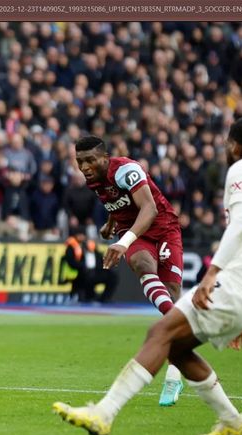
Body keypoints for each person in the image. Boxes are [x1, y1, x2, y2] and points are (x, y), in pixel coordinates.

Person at [53, 117, 242, 435]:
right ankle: (232, 421)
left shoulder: (241, 170)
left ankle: (103, 413)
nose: (224, 149)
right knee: (175, 347)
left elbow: (241, 225)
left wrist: (212, 275)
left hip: (230, 276)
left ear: (237, 146)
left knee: (160, 333)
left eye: (227, 144)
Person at [71, 135, 185, 407]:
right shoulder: (93, 180)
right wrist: (112, 223)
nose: (84, 167)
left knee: (172, 293)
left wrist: (122, 243)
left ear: (105, 157)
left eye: (90, 160)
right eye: (79, 162)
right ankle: (181, 323)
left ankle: (174, 373)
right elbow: (117, 199)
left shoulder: (126, 169)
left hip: (163, 226)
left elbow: (149, 207)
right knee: (142, 264)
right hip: (133, 232)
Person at [63, 226, 118, 303]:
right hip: (81, 273)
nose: (81, 237)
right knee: (87, 283)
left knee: (113, 276)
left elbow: (100, 258)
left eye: (83, 235)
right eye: (79, 235)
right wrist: (83, 266)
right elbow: (71, 262)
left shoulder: (90, 245)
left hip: (95, 271)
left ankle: (104, 299)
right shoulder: (72, 247)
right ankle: (88, 297)